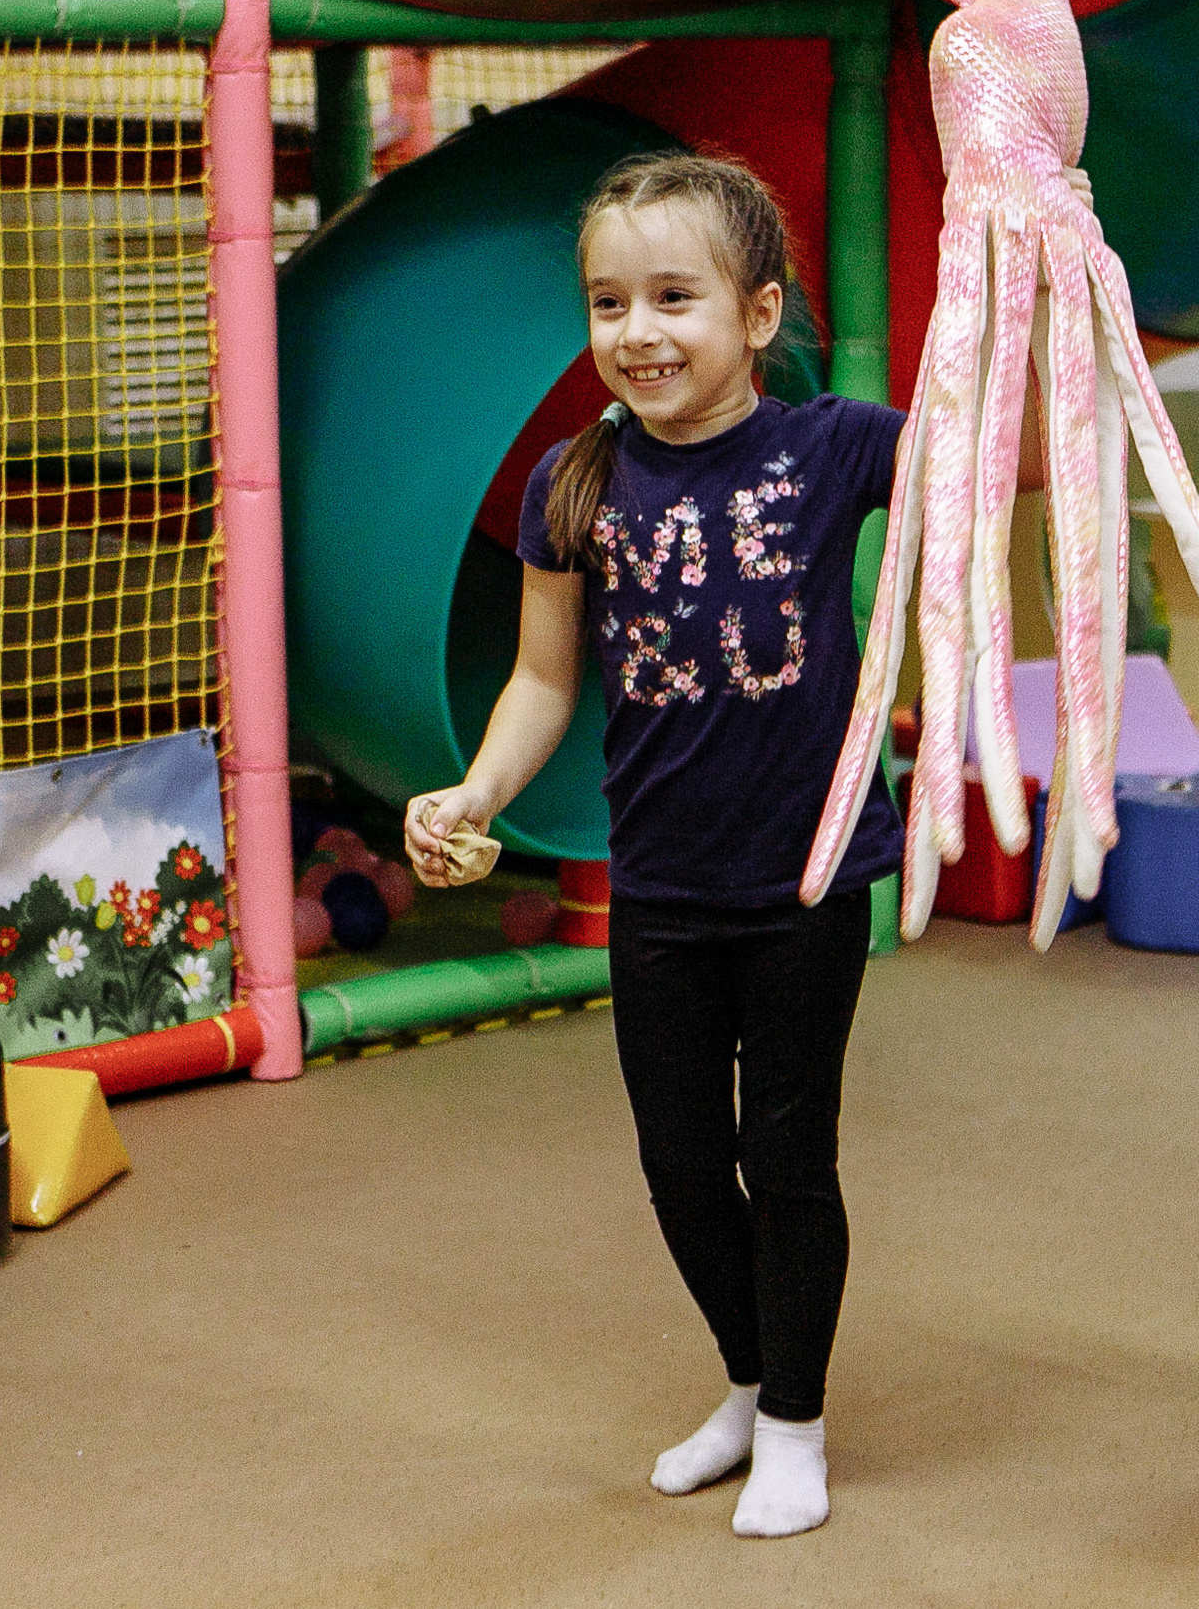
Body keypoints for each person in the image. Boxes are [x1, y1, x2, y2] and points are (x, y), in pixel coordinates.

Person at [406, 151, 1067, 1538]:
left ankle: (795, 1422)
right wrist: (471, 793)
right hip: (658, 882)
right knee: (677, 1160)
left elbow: (992, 459)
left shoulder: (832, 447)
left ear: (759, 314)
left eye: (673, 297)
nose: (637, 330)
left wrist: (1029, 291)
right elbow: (543, 682)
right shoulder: (570, 487)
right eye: (607, 301)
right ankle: (747, 1376)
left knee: (789, 1152)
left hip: (806, 877)